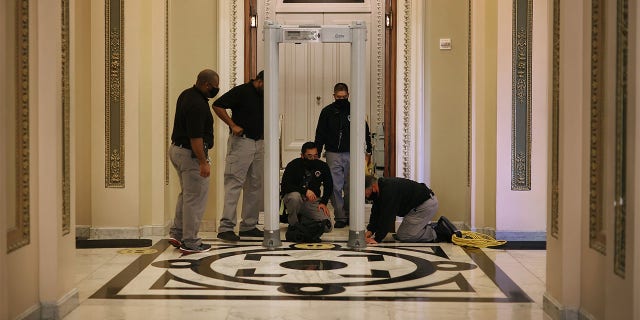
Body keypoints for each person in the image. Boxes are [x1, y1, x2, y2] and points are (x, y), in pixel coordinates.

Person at [168, 69, 220, 253]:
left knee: (187, 195)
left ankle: (178, 232)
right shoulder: (198, 104)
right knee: (195, 198)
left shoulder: (186, 94)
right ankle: (190, 241)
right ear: (206, 85)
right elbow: (195, 137)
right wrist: (203, 162)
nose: (216, 90)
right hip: (191, 154)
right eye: (215, 87)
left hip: (176, 150)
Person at [213, 71, 265, 241]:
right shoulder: (242, 91)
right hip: (241, 142)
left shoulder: (266, 94)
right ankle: (226, 227)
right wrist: (232, 124)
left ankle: (249, 225)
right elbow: (218, 105)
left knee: (255, 185)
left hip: (259, 143)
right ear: (259, 81)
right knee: (234, 183)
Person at [314, 82, 372, 228]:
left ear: (348, 95)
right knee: (334, 186)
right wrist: (317, 151)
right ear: (334, 96)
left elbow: (365, 131)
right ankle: (340, 216)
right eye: (339, 97)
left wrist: (368, 150)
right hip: (333, 153)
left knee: (351, 186)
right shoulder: (327, 111)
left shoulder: (355, 110)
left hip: (352, 153)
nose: (341, 99)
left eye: (344, 97)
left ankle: (349, 214)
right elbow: (320, 132)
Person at [363, 175, 460, 244]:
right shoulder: (381, 190)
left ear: (373, 187)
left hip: (425, 205)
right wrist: (370, 230)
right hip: (418, 207)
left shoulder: (388, 191)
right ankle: (432, 226)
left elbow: (388, 216)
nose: (367, 197)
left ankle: (439, 231)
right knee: (403, 234)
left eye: (367, 194)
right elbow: (376, 211)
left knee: (404, 235)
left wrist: (377, 239)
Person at [280, 142, 333, 233]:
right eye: (309, 156)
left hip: (312, 202)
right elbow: (285, 185)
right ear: (302, 155)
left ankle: (303, 220)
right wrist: (305, 191)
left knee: (327, 226)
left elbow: (329, 185)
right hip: (295, 199)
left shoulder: (322, 166)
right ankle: (293, 224)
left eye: (315, 156)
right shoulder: (293, 165)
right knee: (294, 197)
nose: (313, 158)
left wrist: (323, 202)